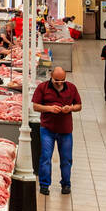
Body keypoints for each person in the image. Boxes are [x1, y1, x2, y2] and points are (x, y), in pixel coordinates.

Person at [31, 66, 82, 195]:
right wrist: (50, 109)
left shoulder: (71, 88)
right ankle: (44, 185)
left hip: (65, 130)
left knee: (66, 159)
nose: (59, 83)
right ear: (51, 77)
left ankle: (66, 184)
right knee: (46, 158)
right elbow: (35, 106)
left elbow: (79, 106)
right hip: (47, 129)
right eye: (56, 80)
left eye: (62, 80)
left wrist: (70, 108)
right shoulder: (42, 87)